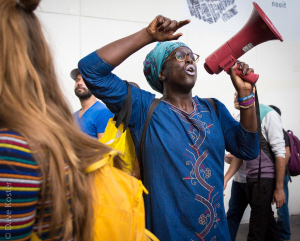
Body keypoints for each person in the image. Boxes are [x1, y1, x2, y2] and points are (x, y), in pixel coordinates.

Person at [78, 15, 259, 240]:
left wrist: (246, 94)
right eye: (180, 56)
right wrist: (147, 35)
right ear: (161, 73)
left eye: (192, 57)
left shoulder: (214, 108)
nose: (189, 60)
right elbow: (90, 70)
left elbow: (249, 149)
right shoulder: (143, 108)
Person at [0, 0, 123, 241]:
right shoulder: (67, 117)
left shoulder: (100, 113)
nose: (80, 82)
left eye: (82, 78)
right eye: (76, 79)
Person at [224, 102, 286, 241]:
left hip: (264, 179)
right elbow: (242, 154)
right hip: (250, 179)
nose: (236, 96)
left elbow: (281, 152)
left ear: (252, 91)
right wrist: (225, 178)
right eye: (234, 93)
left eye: (239, 91)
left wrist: (279, 187)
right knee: (268, 225)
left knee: (256, 230)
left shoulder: (267, 114)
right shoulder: (240, 118)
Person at [225, 91, 249, 241]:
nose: (235, 97)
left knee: (262, 219)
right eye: (234, 94)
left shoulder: (261, 116)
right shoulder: (237, 118)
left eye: (239, 94)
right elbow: (239, 151)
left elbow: (249, 151)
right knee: (232, 216)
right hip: (240, 179)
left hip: (254, 180)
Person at [269, 105, 291, 241]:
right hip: (272, 175)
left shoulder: (281, 132)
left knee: (282, 209)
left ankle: (285, 236)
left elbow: (286, 155)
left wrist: (278, 178)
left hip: (281, 176)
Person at [71, 68, 113, 139]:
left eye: (84, 80)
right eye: (77, 80)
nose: (79, 83)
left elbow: (106, 148)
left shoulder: (103, 112)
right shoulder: (73, 116)